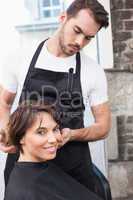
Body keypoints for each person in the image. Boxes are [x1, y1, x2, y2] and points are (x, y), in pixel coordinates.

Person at [0, 0, 111, 196]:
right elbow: (3, 103)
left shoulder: (92, 71)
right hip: (28, 172)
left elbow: (103, 127)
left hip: (73, 169)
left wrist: (71, 134)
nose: (80, 42)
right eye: (76, 30)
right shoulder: (21, 58)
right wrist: (7, 129)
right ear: (62, 18)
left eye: (88, 38)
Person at [3, 100, 102, 200]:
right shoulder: (25, 192)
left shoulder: (43, 167)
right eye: (41, 132)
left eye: (55, 129)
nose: (53, 139)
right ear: (21, 138)